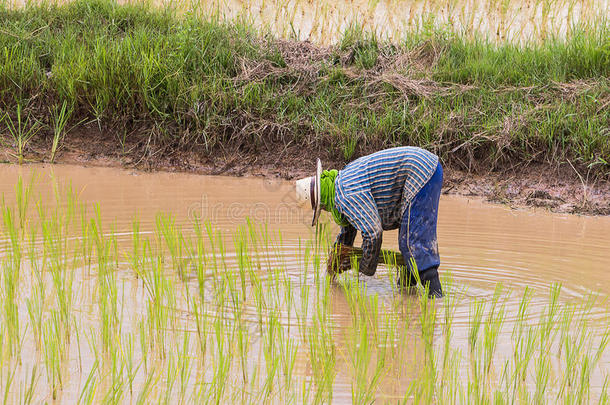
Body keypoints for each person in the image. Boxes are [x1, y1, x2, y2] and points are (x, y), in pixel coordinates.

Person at [295, 146, 443, 298]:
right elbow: (349, 228)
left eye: (322, 208)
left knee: (413, 244)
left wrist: (365, 268)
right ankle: (408, 296)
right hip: (424, 167)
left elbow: (373, 232)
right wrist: (339, 256)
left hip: (421, 172)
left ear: (323, 202)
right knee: (407, 246)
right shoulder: (340, 182)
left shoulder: (345, 194)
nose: (325, 211)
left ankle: (437, 300)